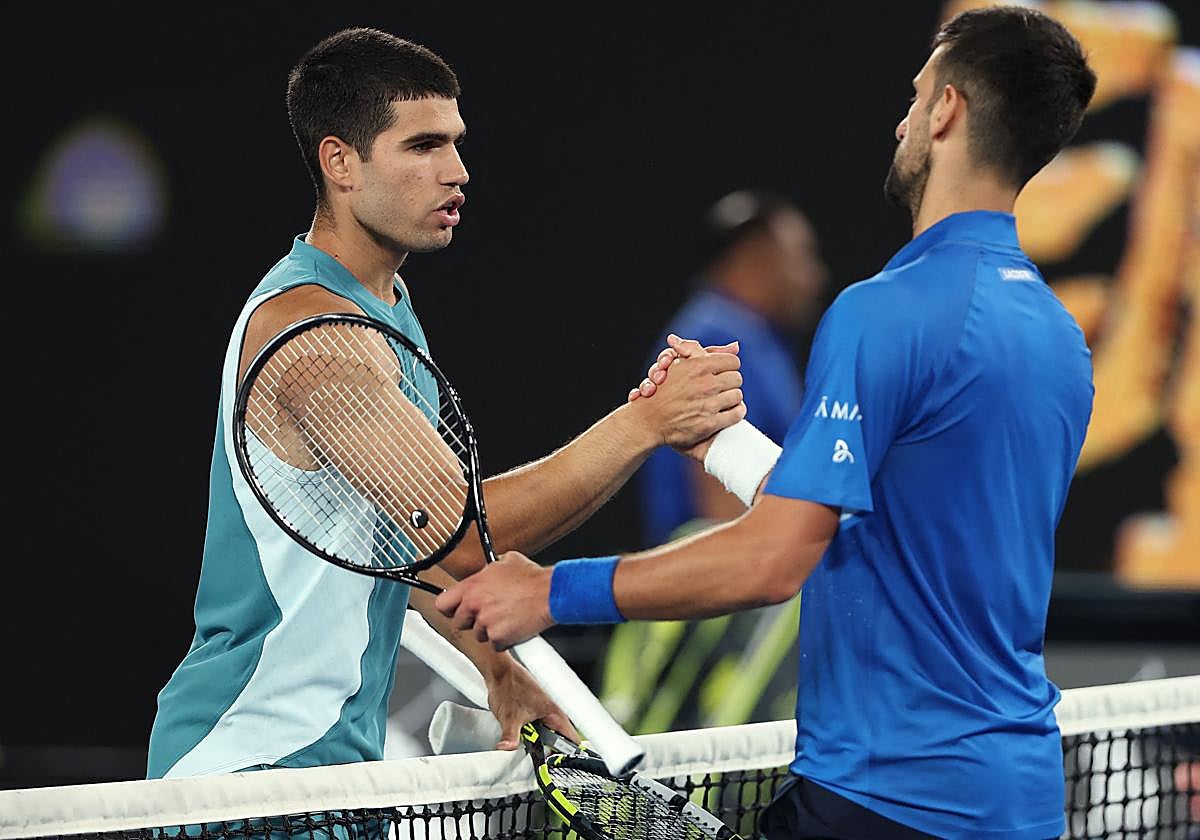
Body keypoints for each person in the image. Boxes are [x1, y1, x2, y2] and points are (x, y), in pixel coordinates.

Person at [436, 7, 1097, 838]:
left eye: (916, 94)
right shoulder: (1059, 337)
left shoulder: (884, 313)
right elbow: (901, 535)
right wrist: (722, 444)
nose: (901, 120)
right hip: (1020, 804)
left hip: (885, 804)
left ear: (947, 111)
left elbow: (776, 559)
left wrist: (549, 591)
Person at [146, 27, 745, 780]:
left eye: (457, 143)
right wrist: (646, 423)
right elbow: (460, 536)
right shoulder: (313, 336)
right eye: (423, 146)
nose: (458, 171)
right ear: (341, 163)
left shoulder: (383, 308)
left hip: (331, 769)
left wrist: (498, 669)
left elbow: (406, 554)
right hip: (247, 775)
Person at [638, 190, 827, 546]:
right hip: (724, 575)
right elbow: (720, 498)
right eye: (801, 257)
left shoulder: (755, 337)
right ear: (754, 258)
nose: (814, 276)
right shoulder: (714, 337)